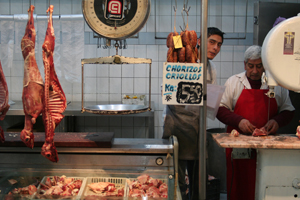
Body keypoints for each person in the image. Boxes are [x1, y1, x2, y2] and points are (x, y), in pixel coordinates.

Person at [216, 45, 295, 200]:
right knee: (239, 185)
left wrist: (276, 121)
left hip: (268, 146)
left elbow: (289, 110)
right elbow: (220, 109)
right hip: (238, 146)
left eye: (259, 66)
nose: (254, 71)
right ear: (245, 64)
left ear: (265, 65)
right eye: (251, 66)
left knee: (265, 185)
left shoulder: (276, 84)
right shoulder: (234, 82)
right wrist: (239, 121)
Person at [163, 27, 225, 200]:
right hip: (177, 126)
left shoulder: (211, 68)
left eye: (219, 45)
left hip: (197, 127)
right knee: (178, 181)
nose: (215, 48)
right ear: (198, 42)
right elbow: (169, 92)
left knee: (199, 182)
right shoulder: (179, 63)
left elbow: (209, 99)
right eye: (212, 42)